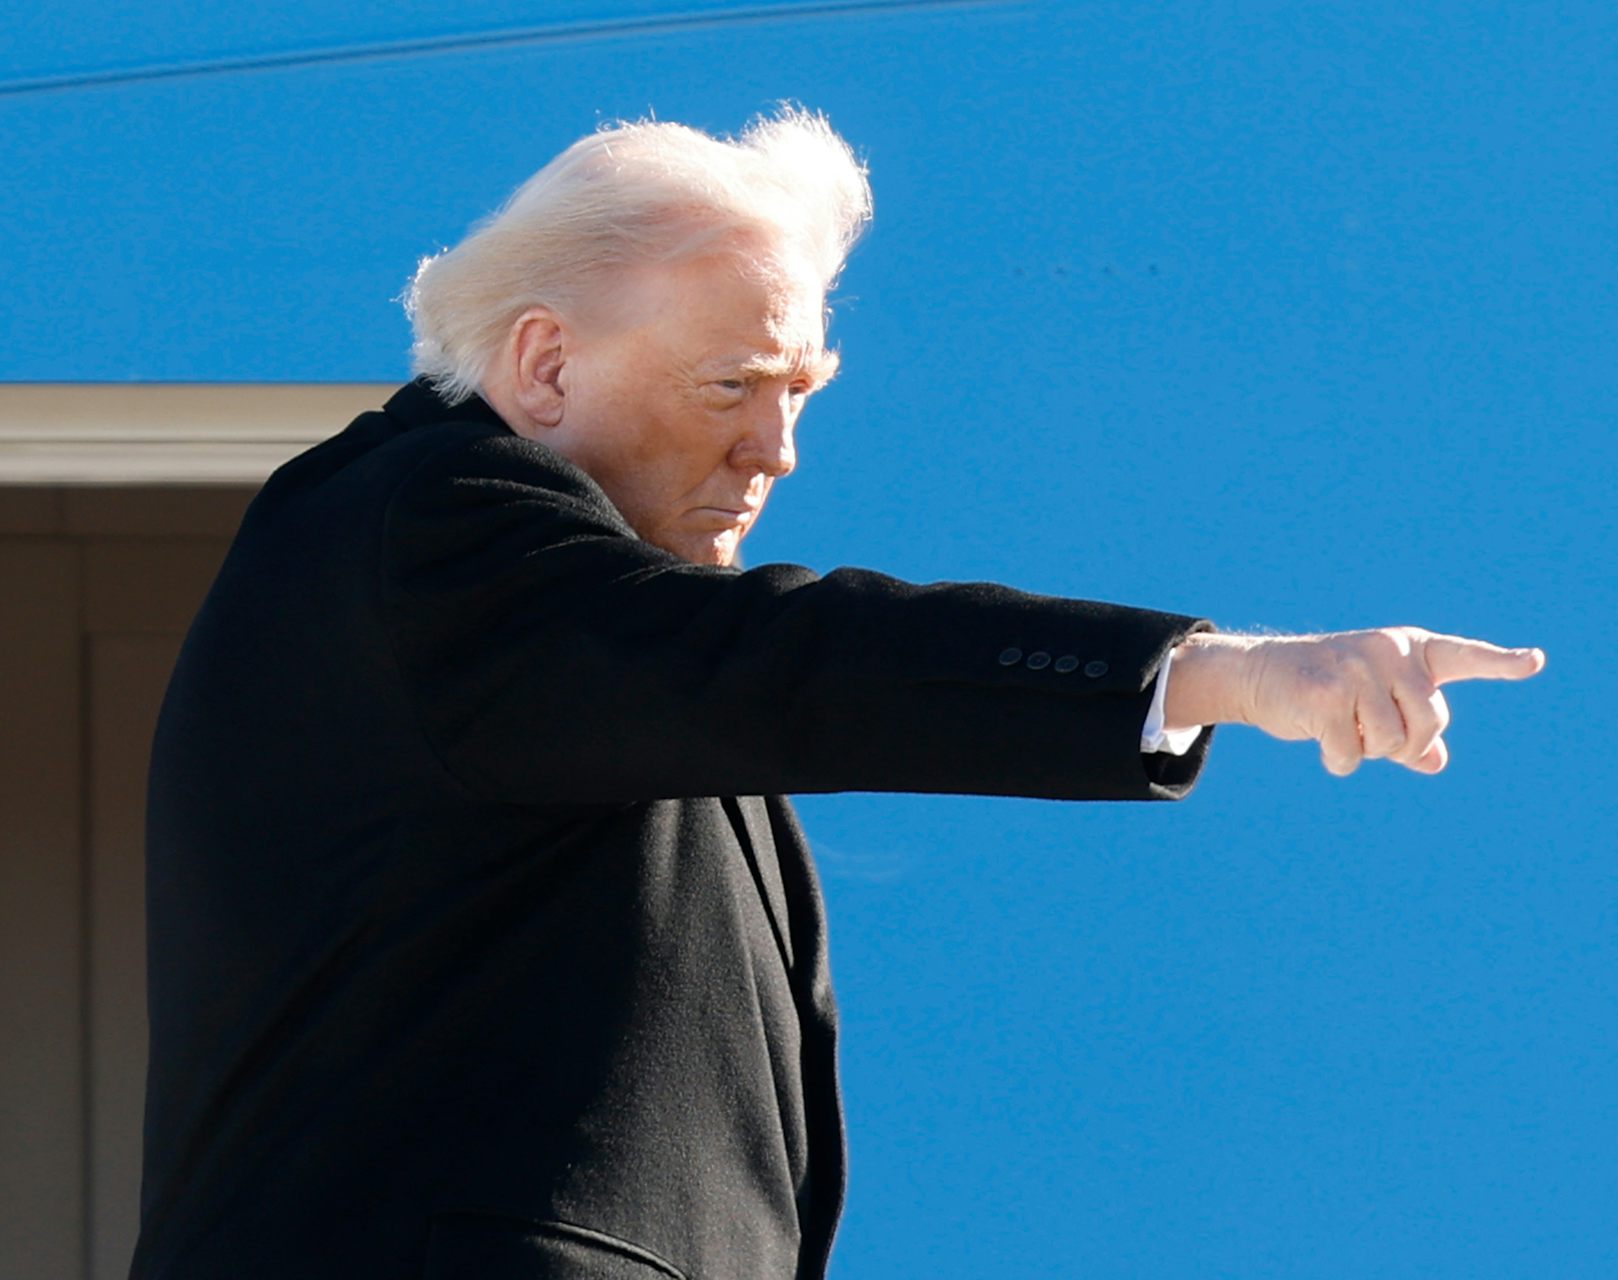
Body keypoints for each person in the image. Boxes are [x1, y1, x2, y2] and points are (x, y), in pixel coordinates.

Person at [134, 108, 1546, 1279]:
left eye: (805, 387)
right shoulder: (421, 534)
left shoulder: (589, 640)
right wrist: (1216, 672)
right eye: (734, 384)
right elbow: (788, 661)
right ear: (546, 363)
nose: (781, 448)